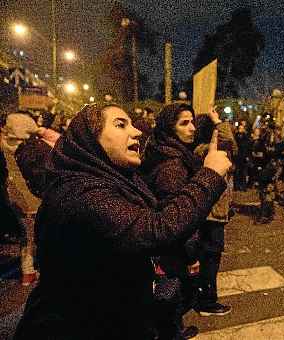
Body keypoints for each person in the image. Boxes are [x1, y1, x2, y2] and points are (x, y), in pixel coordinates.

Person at [14, 102, 231, 340]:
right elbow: (155, 230)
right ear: (90, 140)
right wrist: (209, 175)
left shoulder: (113, 180)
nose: (137, 132)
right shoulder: (82, 193)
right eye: (120, 124)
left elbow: (156, 215)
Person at [140, 103, 202, 339]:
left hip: (164, 247)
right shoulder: (173, 166)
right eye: (184, 123)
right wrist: (191, 255)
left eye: (192, 121)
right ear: (169, 128)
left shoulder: (166, 151)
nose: (192, 128)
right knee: (172, 299)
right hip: (172, 250)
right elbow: (178, 215)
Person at [193, 107, 237, 316]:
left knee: (209, 257)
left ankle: (203, 297)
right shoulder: (205, 151)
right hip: (212, 214)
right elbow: (229, 140)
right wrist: (217, 121)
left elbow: (232, 145)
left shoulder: (210, 150)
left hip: (216, 212)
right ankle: (207, 302)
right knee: (210, 258)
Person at [1, 113, 41, 286]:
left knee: (27, 236)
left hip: (13, 196)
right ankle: (29, 273)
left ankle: (29, 272)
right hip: (30, 198)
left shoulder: (3, 144)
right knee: (32, 236)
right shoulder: (30, 150)